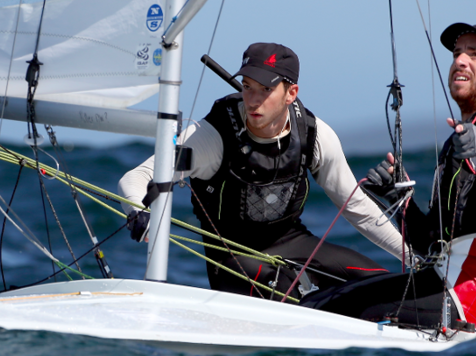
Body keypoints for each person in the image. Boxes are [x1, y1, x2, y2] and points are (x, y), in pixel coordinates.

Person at [302, 23, 476, 332]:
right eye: (458, 53)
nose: (460, 60)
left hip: (467, 298)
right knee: (324, 300)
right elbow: (429, 245)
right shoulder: (462, 141)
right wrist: (399, 201)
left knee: (326, 310)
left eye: (475, 54)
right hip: (441, 281)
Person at [118, 42, 411, 298]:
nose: (253, 100)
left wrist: (411, 257)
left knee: (384, 285)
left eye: (266, 90)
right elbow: (137, 177)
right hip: (235, 257)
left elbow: (356, 206)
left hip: (293, 242)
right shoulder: (211, 137)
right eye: (247, 87)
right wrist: (137, 210)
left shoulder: (313, 134)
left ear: (291, 93)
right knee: (291, 289)